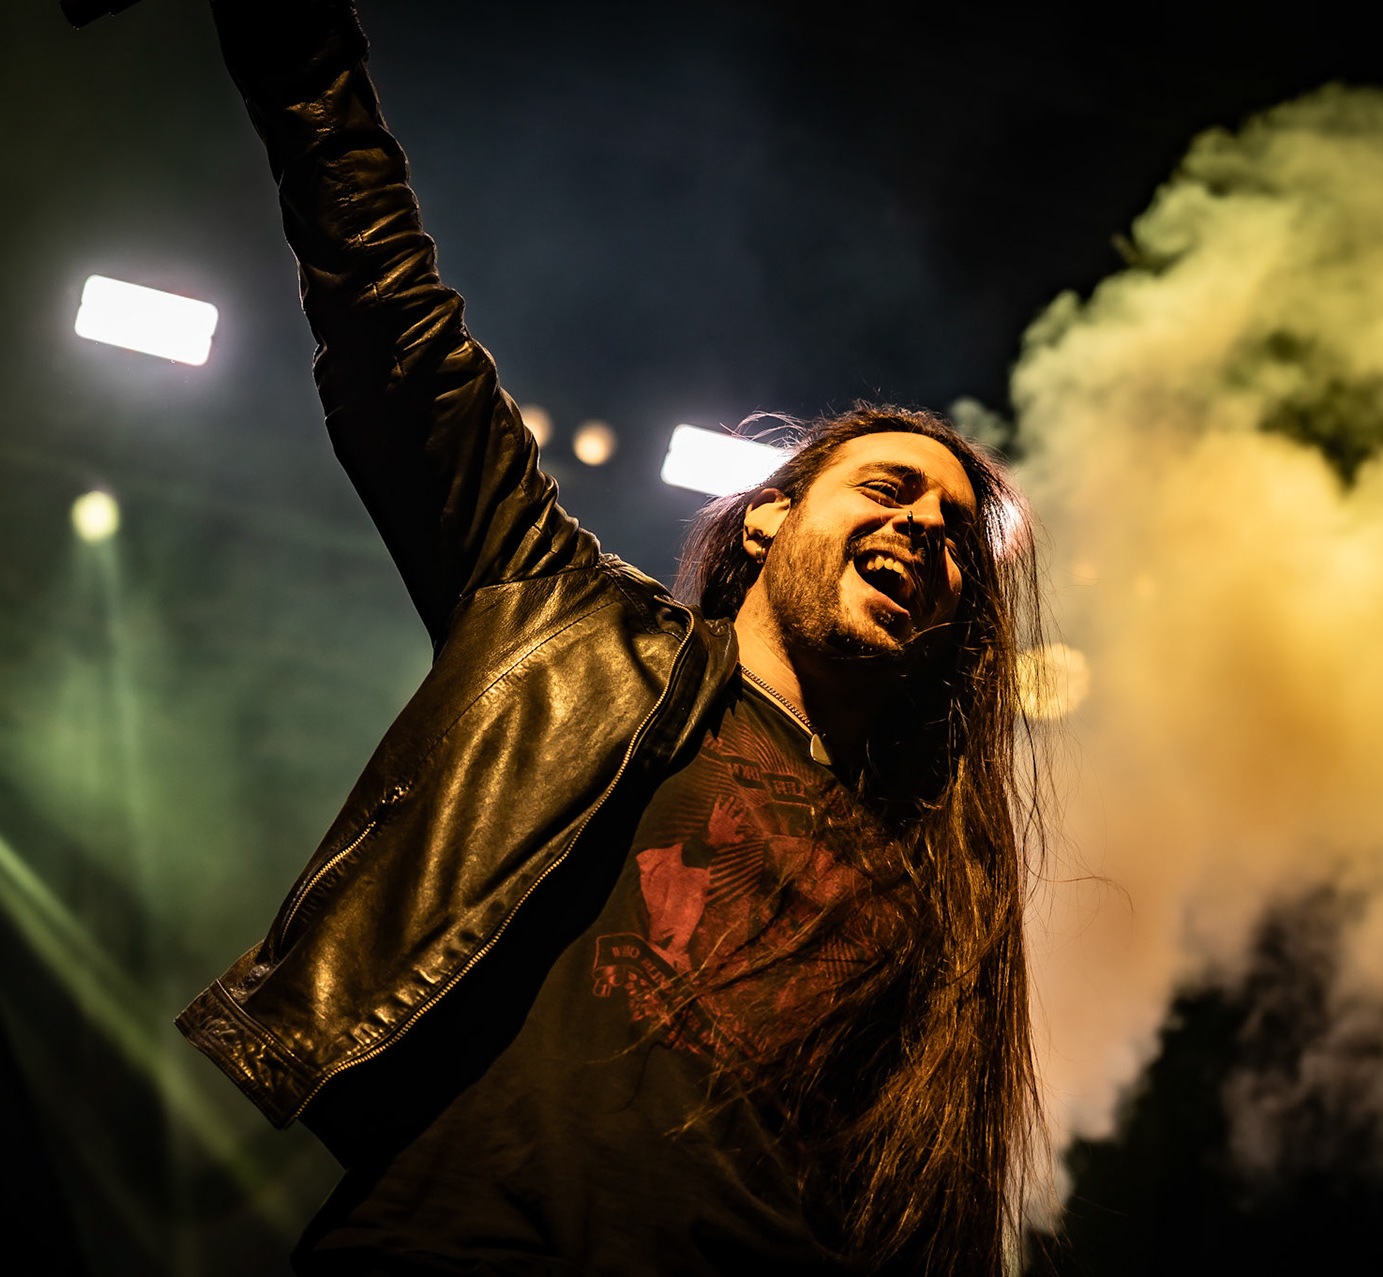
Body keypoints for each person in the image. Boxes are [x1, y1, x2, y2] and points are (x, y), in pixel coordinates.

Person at [169, 3, 1045, 1273]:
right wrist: (300, 56)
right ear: (768, 518)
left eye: (958, 533)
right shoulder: (570, 623)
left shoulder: (931, 897)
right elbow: (397, 334)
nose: (926, 528)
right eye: (892, 488)